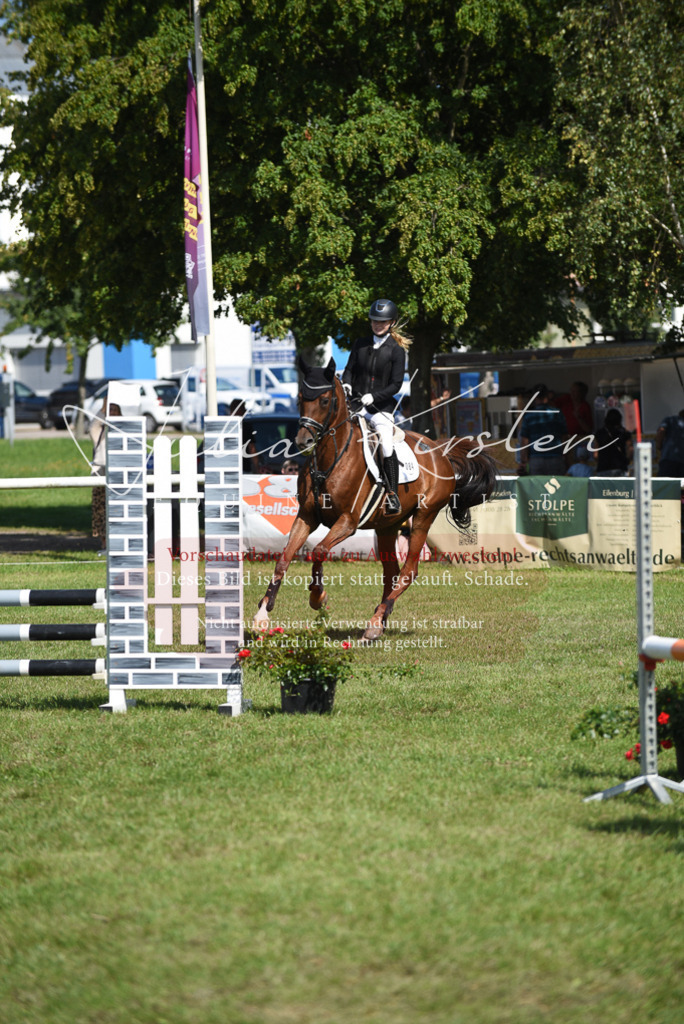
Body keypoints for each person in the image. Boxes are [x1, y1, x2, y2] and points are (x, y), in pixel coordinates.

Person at [342, 298, 409, 514]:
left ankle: (392, 495)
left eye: (382, 322)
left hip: (381, 409)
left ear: (391, 322)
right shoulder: (360, 344)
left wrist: (375, 396)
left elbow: (396, 385)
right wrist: (346, 384)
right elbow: (350, 369)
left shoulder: (396, 350)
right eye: (374, 321)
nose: (377, 325)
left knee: (386, 445)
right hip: (356, 405)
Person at [518, 384, 568, 476]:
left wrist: (523, 462)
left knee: (537, 489)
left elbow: (524, 441)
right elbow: (564, 438)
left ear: (534, 398)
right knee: (557, 488)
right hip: (556, 458)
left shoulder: (529, 416)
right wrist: (565, 457)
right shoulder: (557, 414)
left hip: (536, 460)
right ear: (547, 396)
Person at [595, 407, 633, 477]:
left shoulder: (599, 433)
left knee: (603, 488)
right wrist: (626, 460)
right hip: (620, 468)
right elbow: (630, 451)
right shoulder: (624, 433)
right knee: (620, 488)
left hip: (603, 469)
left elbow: (595, 455)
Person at [656, 410, 684, 478]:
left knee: (664, 485)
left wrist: (659, 445)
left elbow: (661, 431)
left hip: (668, 459)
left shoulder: (670, 419)